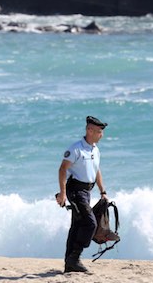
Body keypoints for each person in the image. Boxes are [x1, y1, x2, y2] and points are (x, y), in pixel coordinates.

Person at [56, 115, 108, 273]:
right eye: (99, 131)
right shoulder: (75, 149)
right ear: (89, 130)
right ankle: (75, 258)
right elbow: (62, 169)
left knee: (77, 225)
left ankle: (69, 263)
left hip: (87, 191)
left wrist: (103, 191)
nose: (102, 134)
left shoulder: (95, 149)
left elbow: (96, 170)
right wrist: (63, 193)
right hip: (75, 190)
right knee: (90, 223)